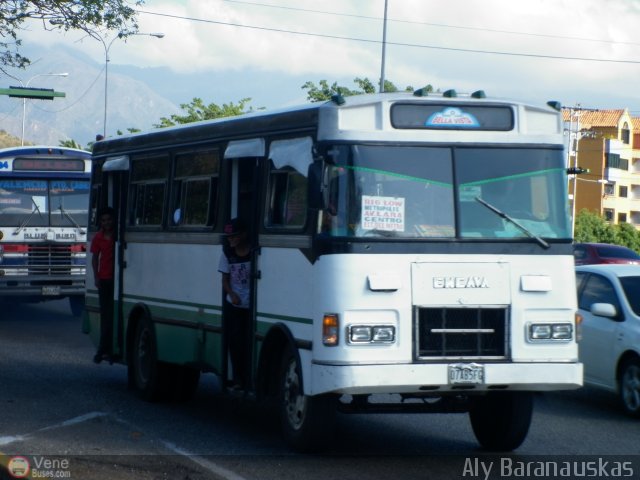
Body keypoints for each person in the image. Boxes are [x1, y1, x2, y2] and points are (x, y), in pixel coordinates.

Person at [218, 218, 251, 390]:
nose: (231, 240)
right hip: (235, 305)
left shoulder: (254, 252)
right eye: (229, 237)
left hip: (250, 306)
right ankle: (239, 379)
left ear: (244, 235)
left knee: (248, 343)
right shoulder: (227, 254)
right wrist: (232, 294)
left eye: (234, 236)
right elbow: (224, 280)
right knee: (236, 343)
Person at [90, 207, 115, 364]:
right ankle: (102, 349)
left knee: (112, 315)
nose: (106, 223)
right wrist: (96, 277)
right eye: (104, 220)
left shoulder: (116, 236)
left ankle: (108, 349)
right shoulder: (98, 238)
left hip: (115, 280)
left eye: (109, 220)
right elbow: (94, 259)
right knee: (105, 315)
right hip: (104, 279)